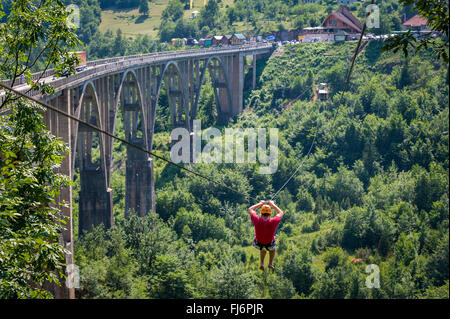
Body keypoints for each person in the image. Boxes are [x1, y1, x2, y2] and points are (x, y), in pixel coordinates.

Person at [248, 200, 284, 271]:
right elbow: (281, 212)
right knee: (272, 249)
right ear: (270, 214)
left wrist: (260, 203)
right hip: (269, 244)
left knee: (263, 247)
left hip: (258, 244)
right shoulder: (273, 221)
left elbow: (250, 209)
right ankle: (270, 263)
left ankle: (262, 263)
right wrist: (273, 204)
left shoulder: (257, 220)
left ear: (261, 213)